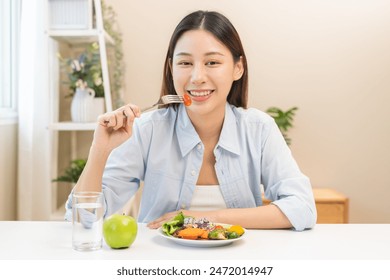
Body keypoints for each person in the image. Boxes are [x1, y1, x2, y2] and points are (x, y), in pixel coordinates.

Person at [65, 10, 316, 231]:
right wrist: (99, 149)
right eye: (185, 62)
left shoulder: (259, 129)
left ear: (238, 68)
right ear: (171, 67)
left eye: (212, 62)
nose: (197, 77)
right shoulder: (147, 129)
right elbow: (84, 219)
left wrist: (206, 218)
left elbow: (302, 207)